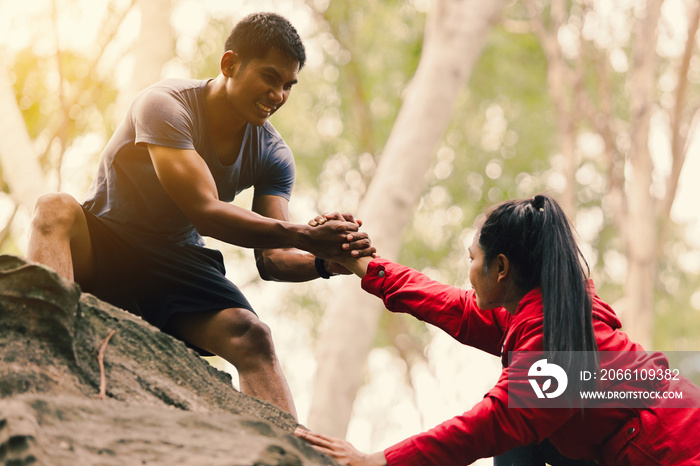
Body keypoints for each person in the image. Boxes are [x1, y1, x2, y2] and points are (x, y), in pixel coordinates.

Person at [25, 12, 374, 420]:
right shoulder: (164, 105)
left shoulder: (273, 155)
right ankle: (44, 346)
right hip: (104, 245)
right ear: (229, 65)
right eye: (269, 77)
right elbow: (205, 211)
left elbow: (274, 258)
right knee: (54, 206)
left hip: (175, 264)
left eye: (288, 85)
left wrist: (323, 261)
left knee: (254, 335)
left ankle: (291, 452)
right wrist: (305, 234)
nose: (278, 95)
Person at [296, 194, 700, 465]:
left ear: (501, 268)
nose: (468, 272)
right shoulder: (533, 309)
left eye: (473, 259)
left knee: (512, 428)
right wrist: (356, 260)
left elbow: (486, 426)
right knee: (522, 439)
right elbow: (447, 305)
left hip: (676, 450)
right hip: (623, 445)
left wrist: (378, 460)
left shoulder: (555, 343)